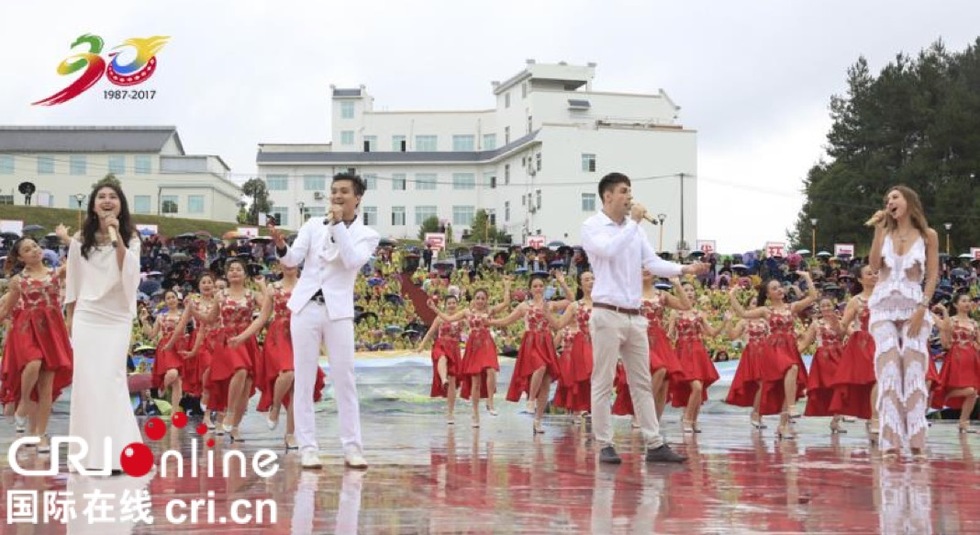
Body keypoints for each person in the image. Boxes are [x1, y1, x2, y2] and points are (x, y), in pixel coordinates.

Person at [581, 172, 708, 464]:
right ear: (608, 195)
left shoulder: (634, 229)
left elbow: (651, 262)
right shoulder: (592, 226)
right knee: (603, 380)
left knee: (641, 381)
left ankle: (654, 442)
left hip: (635, 314)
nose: (629, 197)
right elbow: (609, 251)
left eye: (630, 191)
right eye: (624, 191)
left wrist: (685, 269)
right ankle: (604, 444)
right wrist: (635, 222)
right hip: (606, 312)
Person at [270, 173, 379, 469]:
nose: (337, 196)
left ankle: (352, 447)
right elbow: (292, 261)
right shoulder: (311, 225)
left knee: (344, 379)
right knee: (303, 378)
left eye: (344, 192)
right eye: (333, 192)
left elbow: (352, 260)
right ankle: (308, 447)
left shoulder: (367, 234)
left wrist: (337, 224)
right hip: (306, 307)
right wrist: (281, 246)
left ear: (357, 198)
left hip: (338, 310)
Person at [65, 180, 143, 473]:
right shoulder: (78, 239)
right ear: (93, 204)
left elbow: (130, 272)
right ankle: (87, 456)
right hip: (87, 314)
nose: (107, 201)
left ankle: (118, 455)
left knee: (111, 380)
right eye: (101, 197)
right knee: (87, 382)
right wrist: (71, 318)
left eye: (113, 197)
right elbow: (73, 282)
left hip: (116, 316)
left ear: (121, 204)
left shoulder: (130, 237)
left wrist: (116, 238)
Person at [866, 185, 939, 461]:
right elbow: (874, 267)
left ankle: (917, 439)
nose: (890, 202)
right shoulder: (884, 232)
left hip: (914, 306)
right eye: (887, 199)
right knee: (888, 368)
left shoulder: (928, 235)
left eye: (894, 197)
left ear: (909, 200)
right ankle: (891, 440)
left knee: (913, 368)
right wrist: (877, 230)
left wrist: (923, 306)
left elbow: (931, 276)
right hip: (883, 307)